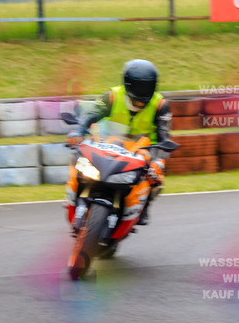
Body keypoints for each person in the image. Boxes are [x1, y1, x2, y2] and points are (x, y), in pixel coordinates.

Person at [65, 59, 171, 227]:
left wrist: (159, 161)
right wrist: (78, 131)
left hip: (141, 150)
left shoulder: (160, 106)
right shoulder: (112, 97)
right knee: (77, 158)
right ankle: (74, 195)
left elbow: (165, 137)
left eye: (147, 86)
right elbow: (91, 114)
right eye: (139, 85)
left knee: (156, 179)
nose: (143, 92)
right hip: (106, 142)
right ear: (128, 84)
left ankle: (143, 208)